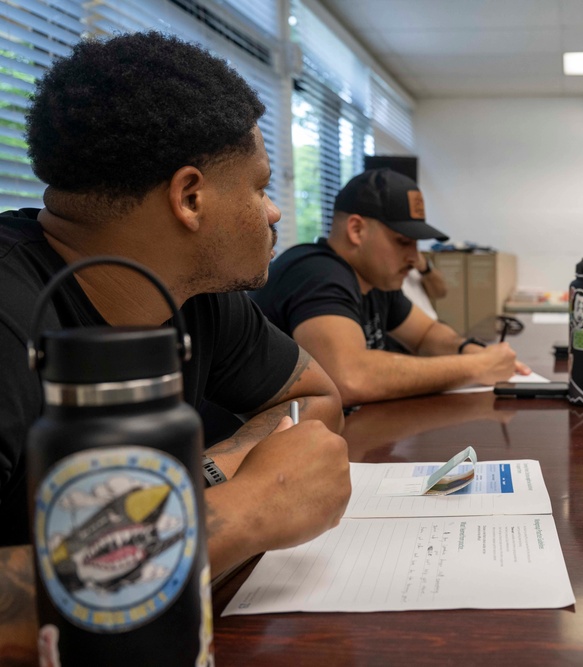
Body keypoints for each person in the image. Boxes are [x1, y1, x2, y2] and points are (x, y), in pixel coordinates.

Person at [0, 33, 352, 577]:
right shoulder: (10, 316)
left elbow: (316, 396)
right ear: (190, 197)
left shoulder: (193, 291)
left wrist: (206, 476)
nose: (275, 212)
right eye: (259, 188)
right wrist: (244, 509)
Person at [251, 168, 530, 405]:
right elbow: (349, 377)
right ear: (357, 230)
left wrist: (476, 352)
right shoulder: (317, 272)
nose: (413, 257)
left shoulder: (375, 280)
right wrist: (478, 367)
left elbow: (426, 334)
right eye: (402, 242)